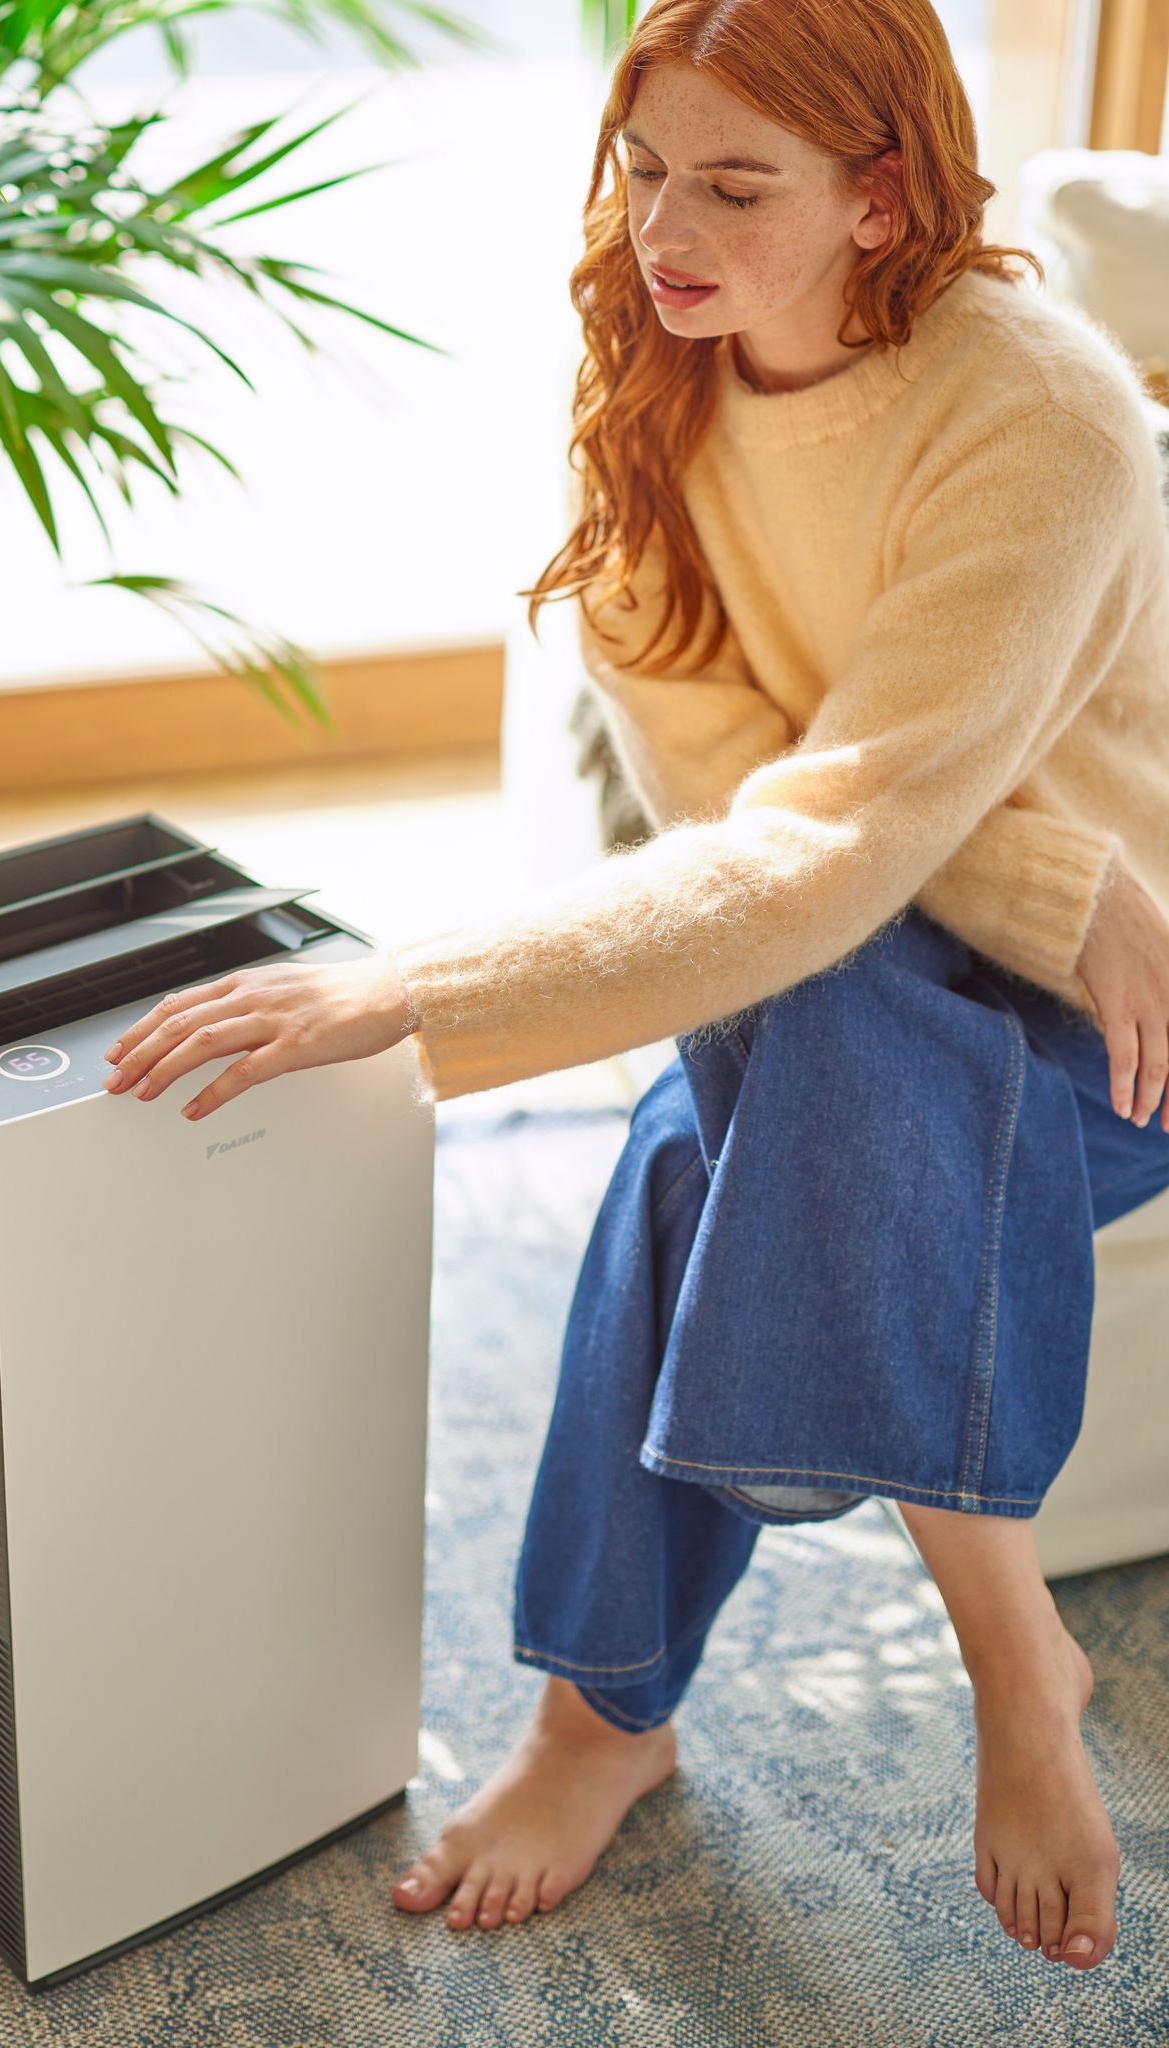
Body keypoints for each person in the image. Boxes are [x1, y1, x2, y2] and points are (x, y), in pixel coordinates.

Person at [102, 0, 1169, 1974]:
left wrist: (406, 994)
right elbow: (749, 809)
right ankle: (1001, 1658)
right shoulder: (653, 373)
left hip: (1119, 1011)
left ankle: (628, 1716)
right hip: (873, 930)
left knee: (724, 1119)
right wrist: (1039, 872)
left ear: (883, 197)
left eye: (737, 189)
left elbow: (833, 834)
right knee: (797, 1031)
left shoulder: (1040, 417)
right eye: (649, 168)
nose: (665, 231)